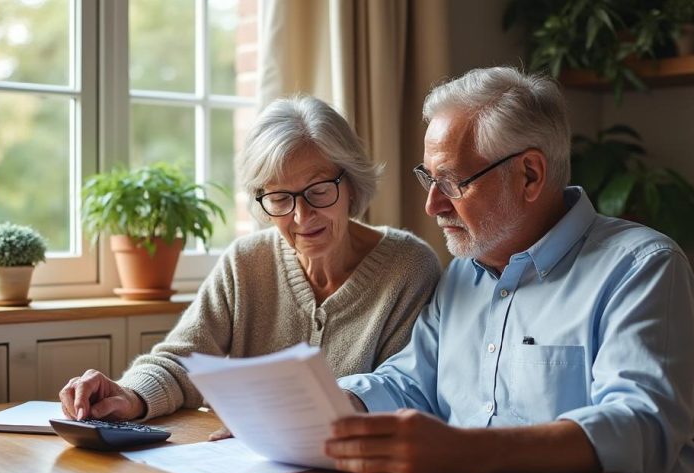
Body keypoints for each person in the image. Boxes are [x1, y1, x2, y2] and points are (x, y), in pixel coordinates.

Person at [325, 67, 694, 473]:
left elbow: (640, 425)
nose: (433, 205)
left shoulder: (641, 267)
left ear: (529, 175)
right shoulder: (464, 272)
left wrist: (465, 453)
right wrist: (333, 405)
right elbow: (413, 382)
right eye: (428, 179)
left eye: (452, 182)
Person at [59, 95, 442, 428]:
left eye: (319, 190)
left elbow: (402, 393)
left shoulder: (408, 268)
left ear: (352, 184)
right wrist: (128, 396)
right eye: (279, 198)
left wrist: (287, 422)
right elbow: (182, 361)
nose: (301, 217)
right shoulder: (246, 262)